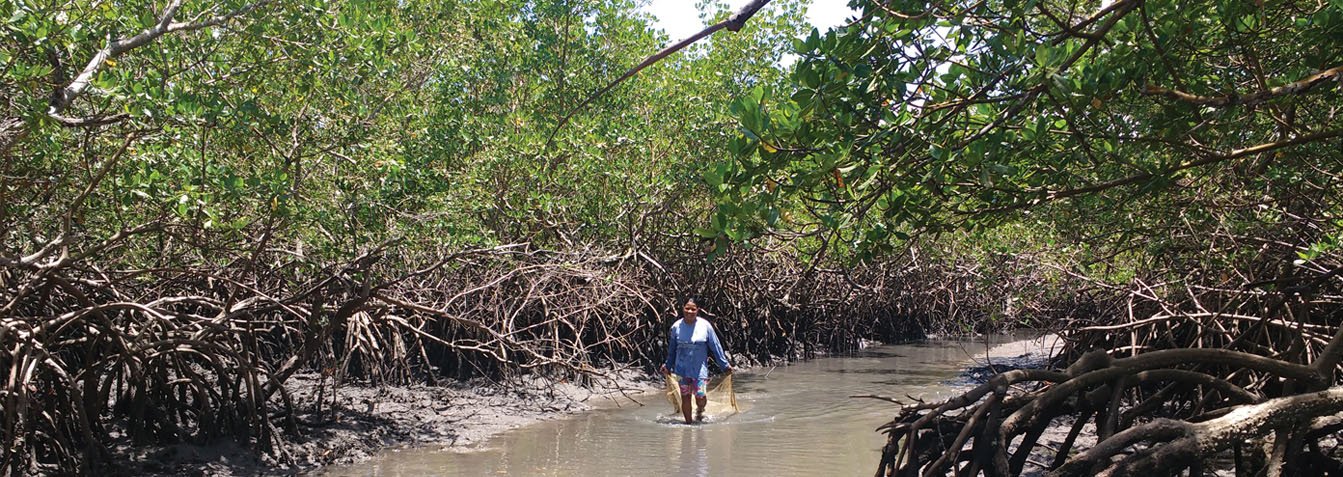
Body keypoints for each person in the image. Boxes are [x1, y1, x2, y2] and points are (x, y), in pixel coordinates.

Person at [660, 298, 732, 423]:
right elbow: (672, 350)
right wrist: (667, 365)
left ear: (697, 310)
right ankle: (689, 424)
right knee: (686, 397)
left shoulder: (705, 326)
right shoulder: (676, 327)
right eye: (687, 308)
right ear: (683, 309)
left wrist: (724, 365)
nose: (690, 311)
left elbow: (715, 347)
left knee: (700, 396)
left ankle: (700, 410)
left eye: (693, 309)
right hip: (681, 369)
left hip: (700, 370)